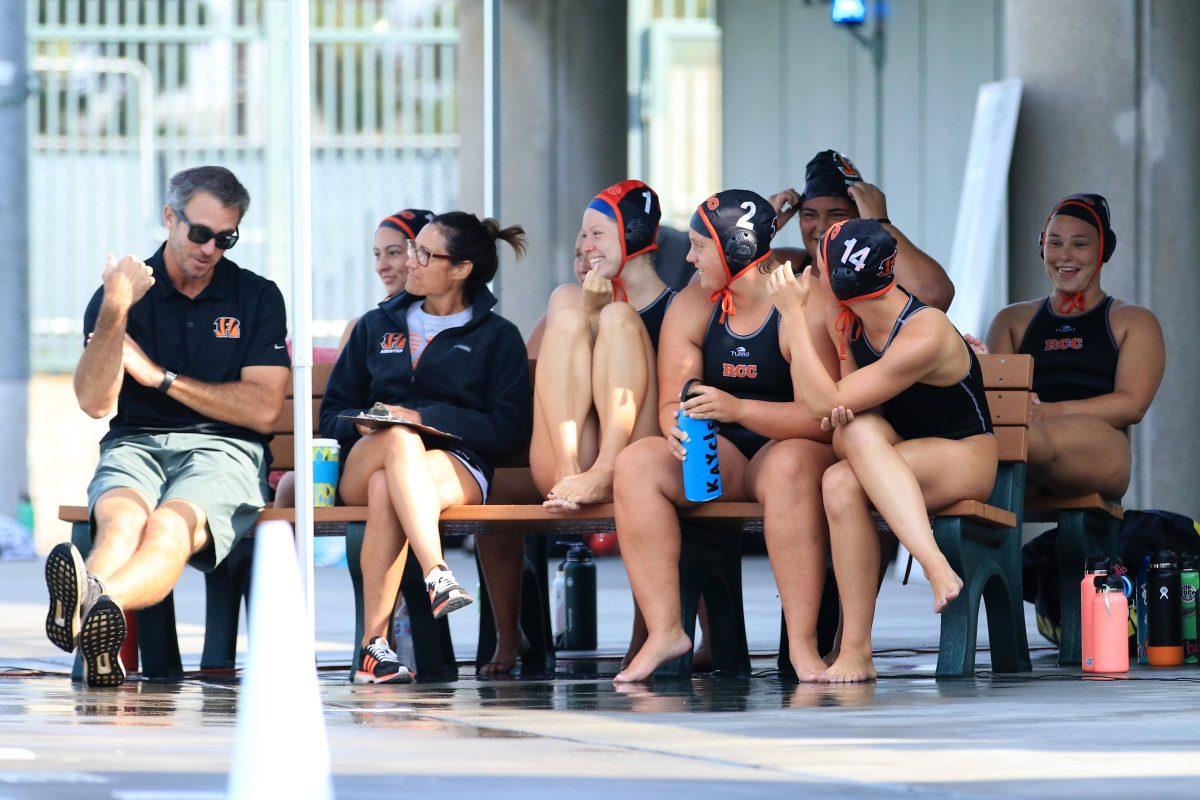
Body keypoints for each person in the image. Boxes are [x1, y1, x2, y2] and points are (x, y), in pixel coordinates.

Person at [45, 166, 291, 687]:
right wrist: (115, 308)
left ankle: (89, 603)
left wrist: (161, 380)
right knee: (119, 525)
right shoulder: (121, 294)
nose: (210, 249)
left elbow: (265, 411)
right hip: (135, 444)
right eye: (199, 233)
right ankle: (99, 617)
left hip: (224, 450)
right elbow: (93, 401)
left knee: (167, 529)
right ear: (169, 218)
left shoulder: (256, 296)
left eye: (225, 239)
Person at [612, 189, 839, 683]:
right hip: (729, 452)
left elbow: (820, 418)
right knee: (638, 464)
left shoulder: (800, 302)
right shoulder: (694, 303)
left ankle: (802, 646)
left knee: (790, 466)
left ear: (734, 248)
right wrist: (675, 425)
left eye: (699, 245)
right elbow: (675, 398)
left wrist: (738, 407)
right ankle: (666, 629)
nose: (689, 257)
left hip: (794, 446)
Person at [767, 218, 998, 683]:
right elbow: (834, 419)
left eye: (818, 266)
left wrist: (792, 316)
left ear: (838, 282)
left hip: (964, 455)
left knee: (847, 461)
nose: (810, 277)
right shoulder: (851, 325)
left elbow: (825, 401)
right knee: (840, 472)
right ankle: (856, 651)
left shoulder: (924, 331)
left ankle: (933, 566)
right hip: (898, 453)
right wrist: (833, 383)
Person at [319, 212, 532, 684]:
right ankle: (437, 569)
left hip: (454, 468)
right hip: (366, 456)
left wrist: (425, 420)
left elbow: (508, 429)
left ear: (460, 270)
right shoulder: (377, 326)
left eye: (423, 254)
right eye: (412, 249)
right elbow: (330, 415)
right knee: (395, 440)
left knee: (386, 489)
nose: (409, 261)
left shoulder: (497, 338)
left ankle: (374, 648)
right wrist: (370, 424)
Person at [472, 180, 673, 676]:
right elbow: (531, 380)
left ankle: (603, 470)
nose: (585, 246)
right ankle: (573, 469)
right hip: (564, 462)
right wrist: (585, 316)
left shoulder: (677, 306)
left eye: (597, 234)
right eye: (583, 235)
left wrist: (605, 317)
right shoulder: (566, 300)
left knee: (622, 316)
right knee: (567, 302)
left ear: (635, 235)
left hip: (633, 459)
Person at [981, 193, 1164, 499]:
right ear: (1042, 247)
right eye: (1055, 243)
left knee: (1017, 436)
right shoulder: (1012, 320)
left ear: (1103, 250)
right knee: (1002, 434)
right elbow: (997, 401)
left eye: (1079, 244)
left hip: (1099, 451)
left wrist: (1048, 413)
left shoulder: (1133, 321)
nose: (1064, 255)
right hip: (1022, 447)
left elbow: (1132, 405)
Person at [273, 208, 435, 508]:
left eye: (394, 253)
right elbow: (338, 409)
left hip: (431, 457)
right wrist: (361, 423)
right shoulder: (366, 326)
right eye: (376, 254)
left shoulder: (452, 323)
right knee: (291, 485)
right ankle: (302, 558)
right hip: (363, 453)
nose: (381, 265)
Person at [771, 149, 955, 312]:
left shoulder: (880, 271)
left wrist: (879, 224)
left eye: (836, 214)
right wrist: (762, 228)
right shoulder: (790, 264)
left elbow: (934, 297)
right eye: (810, 215)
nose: (821, 227)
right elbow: (742, 279)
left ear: (860, 216)